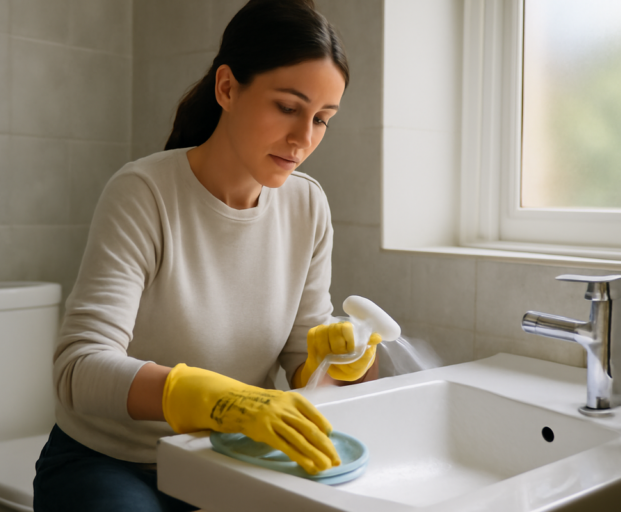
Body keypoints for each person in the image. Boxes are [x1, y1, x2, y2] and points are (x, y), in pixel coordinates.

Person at [32, 1, 382, 511]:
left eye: (322, 119)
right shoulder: (144, 192)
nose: (303, 139)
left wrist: (337, 363)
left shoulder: (308, 206)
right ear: (227, 88)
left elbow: (302, 369)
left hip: (226, 459)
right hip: (110, 462)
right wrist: (217, 400)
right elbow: (79, 368)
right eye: (288, 108)